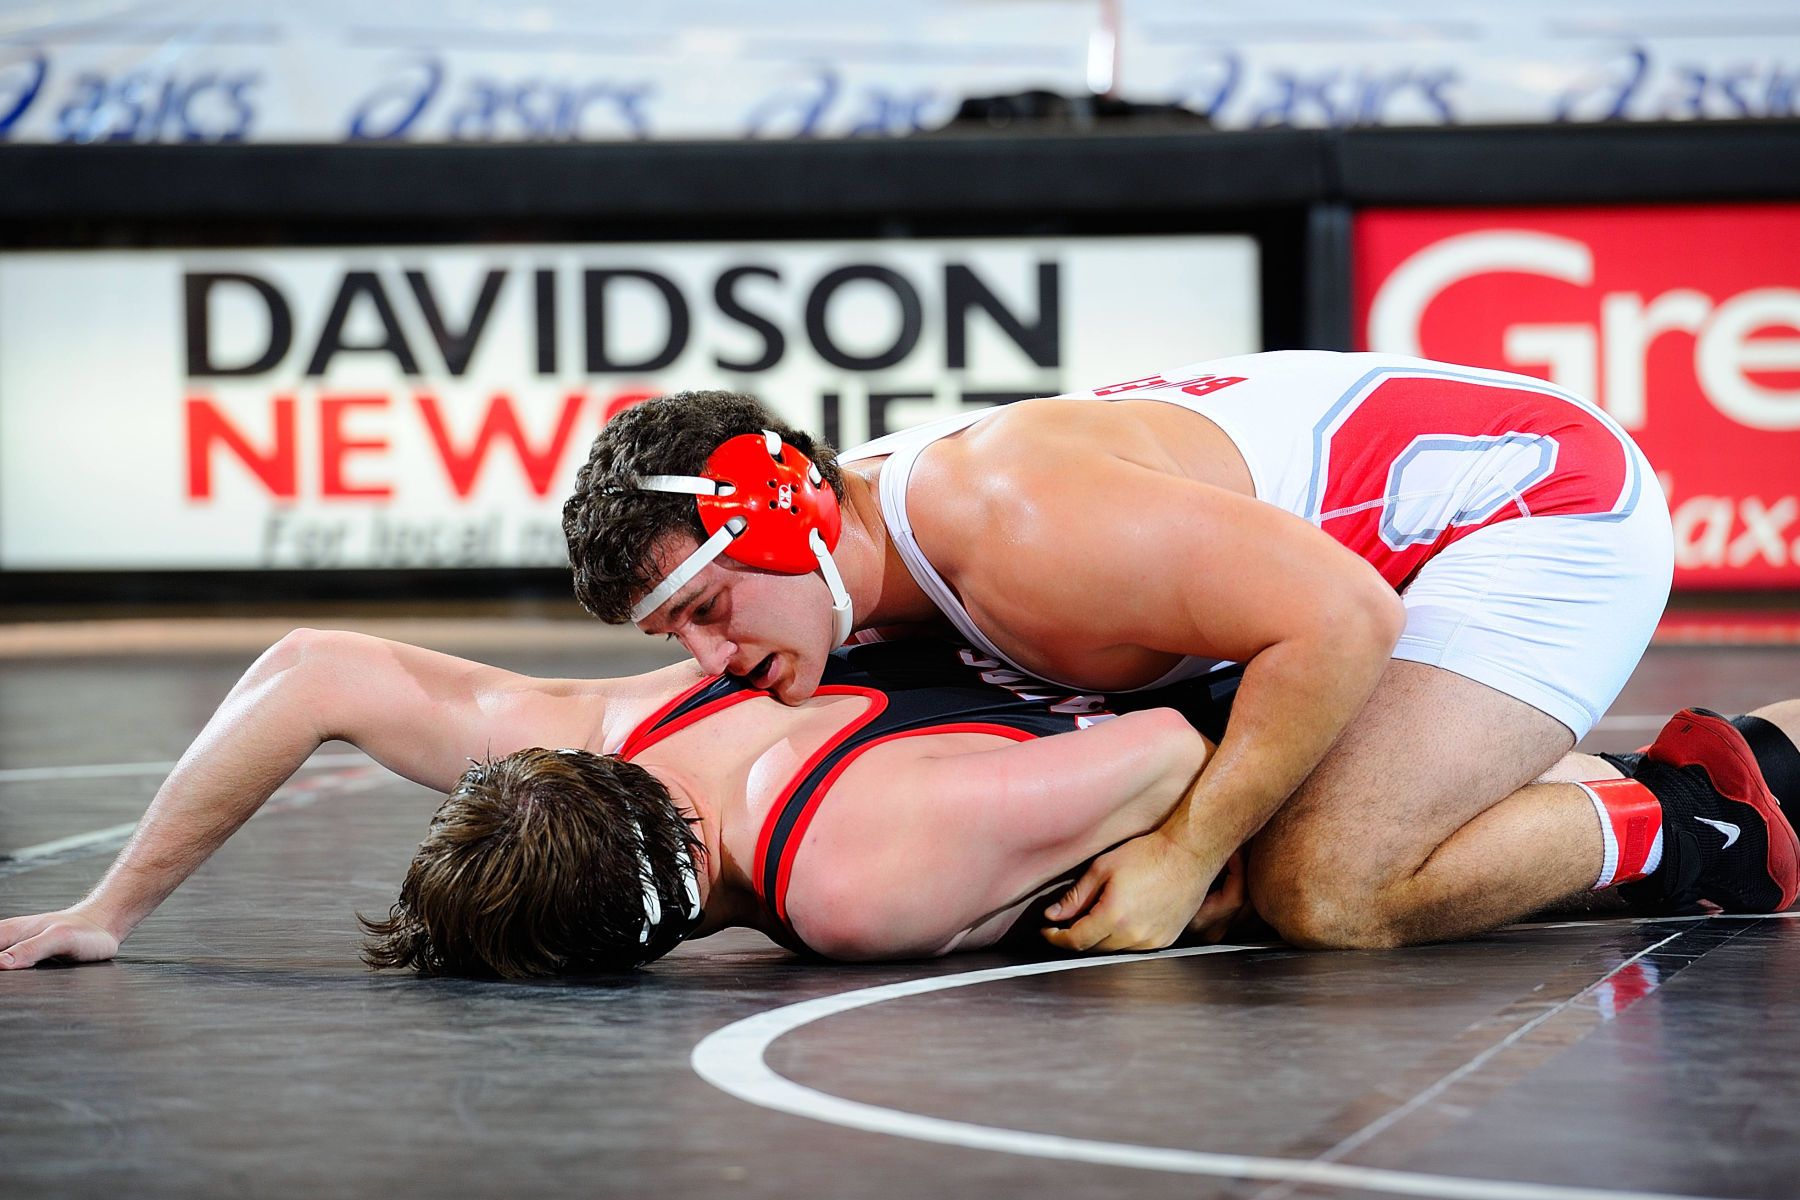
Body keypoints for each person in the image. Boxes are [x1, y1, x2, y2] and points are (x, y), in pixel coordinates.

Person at [561, 350, 1799, 952]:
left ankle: (1706, 814)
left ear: (791, 523)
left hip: (1532, 508)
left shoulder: (1018, 529)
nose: (708, 659)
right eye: (677, 635)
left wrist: (1186, 849)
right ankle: (1496, 777)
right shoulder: (867, 557)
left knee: (1326, 890)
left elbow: (1342, 623)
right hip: (1351, 556)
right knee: (1279, 803)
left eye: (709, 609)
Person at [7, 632, 1791, 977]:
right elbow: (313, 669)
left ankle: (1694, 821)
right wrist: (113, 908)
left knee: (1287, 891)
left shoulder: (851, 877)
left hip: (1287, 668)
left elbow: (1183, 755)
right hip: (1174, 628)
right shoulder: (613, 718)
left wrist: (1167, 862)